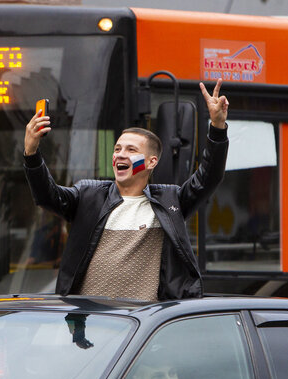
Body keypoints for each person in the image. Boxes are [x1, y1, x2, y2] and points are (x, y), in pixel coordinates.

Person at [23, 79, 229, 301]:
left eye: (131, 150)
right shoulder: (89, 195)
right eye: (117, 149)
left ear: (151, 162)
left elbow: (208, 178)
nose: (120, 155)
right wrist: (31, 152)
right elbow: (47, 196)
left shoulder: (171, 201)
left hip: (142, 327)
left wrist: (217, 128)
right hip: (88, 323)